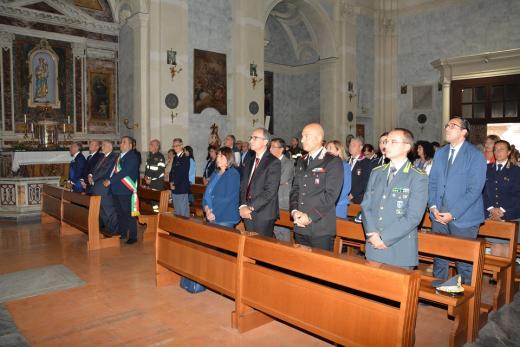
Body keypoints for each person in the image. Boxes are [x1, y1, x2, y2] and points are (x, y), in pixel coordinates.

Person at [428, 117, 487, 284]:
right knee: (440, 258)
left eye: (453, 126)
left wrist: (453, 214)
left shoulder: (475, 155)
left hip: (464, 218)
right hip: (438, 215)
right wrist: (432, 207)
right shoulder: (440, 153)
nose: (447, 128)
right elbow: (432, 182)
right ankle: (437, 291)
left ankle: (464, 300)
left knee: (464, 262)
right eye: (447, 125)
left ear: (464, 132)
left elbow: (474, 190)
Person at [361, 128, 428, 268]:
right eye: (386, 141)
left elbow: (413, 216)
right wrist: (371, 233)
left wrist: (384, 238)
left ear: (406, 147)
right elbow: (366, 206)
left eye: (393, 141)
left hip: (399, 249)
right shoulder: (377, 172)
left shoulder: (417, 176)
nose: (386, 145)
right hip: (373, 245)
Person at [290, 123, 343, 251]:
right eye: (302, 136)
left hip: (320, 226)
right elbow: (295, 189)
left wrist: (309, 216)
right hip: (300, 225)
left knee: (321, 269)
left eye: (306, 136)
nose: (302, 140)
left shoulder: (332, 161)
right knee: (300, 267)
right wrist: (294, 211)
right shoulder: (302, 160)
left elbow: (331, 195)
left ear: (319, 138)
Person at [239, 128, 281, 237]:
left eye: (255, 138)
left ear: (265, 142)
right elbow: (244, 186)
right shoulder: (249, 161)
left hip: (263, 213)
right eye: (251, 138)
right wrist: (243, 205)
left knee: (262, 249)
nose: (250, 141)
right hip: (247, 211)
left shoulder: (273, 162)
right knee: (249, 246)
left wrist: (250, 207)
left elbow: (270, 191)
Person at [482, 140, 520, 256]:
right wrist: (491, 209)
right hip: (490, 215)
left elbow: (517, 195)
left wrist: (502, 211)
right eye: (495, 149)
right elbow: (482, 192)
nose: (497, 152)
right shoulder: (486, 168)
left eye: (501, 149)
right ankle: (495, 273)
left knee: (505, 248)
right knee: (496, 247)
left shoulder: (516, 171)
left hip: (511, 215)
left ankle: (505, 273)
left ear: (508, 152)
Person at [104, 136, 140, 244]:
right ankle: (123, 233)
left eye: (124, 142)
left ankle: (133, 237)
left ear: (130, 145)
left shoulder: (133, 157)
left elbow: (124, 172)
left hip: (126, 190)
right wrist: (107, 178)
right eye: (121, 142)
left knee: (128, 214)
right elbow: (112, 170)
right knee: (120, 214)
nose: (121, 144)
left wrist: (110, 181)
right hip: (116, 190)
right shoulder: (119, 157)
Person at [202, 147, 241, 227]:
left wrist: (213, 212)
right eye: (218, 155)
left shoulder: (233, 173)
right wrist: (207, 210)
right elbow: (207, 194)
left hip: (225, 217)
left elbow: (228, 198)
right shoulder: (215, 172)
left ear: (229, 158)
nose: (218, 158)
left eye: (221, 156)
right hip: (210, 214)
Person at [90, 140, 118, 235]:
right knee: (102, 211)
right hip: (97, 187)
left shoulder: (113, 157)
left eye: (104, 146)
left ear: (110, 147)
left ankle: (114, 231)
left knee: (108, 210)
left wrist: (93, 178)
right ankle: (108, 228)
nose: (102, 147)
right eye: (102, 146)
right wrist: (90, 176)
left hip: (104, 188)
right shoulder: (102, 156)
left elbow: (104, 170)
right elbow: (96, 168)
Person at [270, 138, 294, 242]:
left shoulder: (287, 163)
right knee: (273, 229)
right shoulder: (270, 162)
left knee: (283, 230)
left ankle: (286, 254)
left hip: (282, 200)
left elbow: (281, 180)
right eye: (270, 147)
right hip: (271, 199)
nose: (270, 149)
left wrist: (269, 181)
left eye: (273, 147)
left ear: (281, 149)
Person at [326, 140, 352, 219]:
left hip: (338, 204)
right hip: (325, 204)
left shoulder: (345, 166)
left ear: (338, 151)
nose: (327, 150)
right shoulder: (326, 166)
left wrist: (332, 201)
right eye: (326, 148)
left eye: (330, 148)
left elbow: (346, 188)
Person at [169, 138, 190, 217]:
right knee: (177, 210)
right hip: (174, 186)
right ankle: (178, 227)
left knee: (183, 210)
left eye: (177, 146)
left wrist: (174, 183)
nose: (175, 148)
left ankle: (185, 227)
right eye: (174, 146)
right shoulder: (175, 157)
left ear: (181, 145)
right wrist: (170, 182)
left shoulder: (185, 157)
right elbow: (172, 171)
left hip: (181, 186)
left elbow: (182, 173)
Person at [348, 136, 372, 204]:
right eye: (350, 145)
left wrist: (352, 194)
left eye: (353, 145)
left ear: (361, 147)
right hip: (345, 197)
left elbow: (365, 181)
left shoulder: (366, 162)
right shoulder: (347, 161)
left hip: (358, 198)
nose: (350, 147)